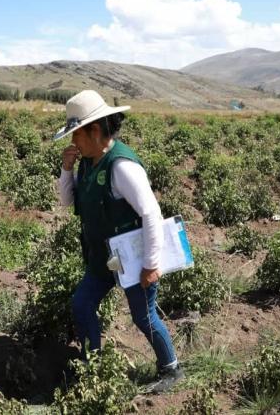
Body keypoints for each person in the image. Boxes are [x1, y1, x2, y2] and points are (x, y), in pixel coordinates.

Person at [54, 90, 184, 393]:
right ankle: (93, 368)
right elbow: (65, 201)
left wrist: (151, 265)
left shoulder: (121, 166)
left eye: (77, 135)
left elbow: (151, 213)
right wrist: (66, 169)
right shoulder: (87, 160)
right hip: (102, 256)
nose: (74, 142)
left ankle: (171, 368)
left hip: (133, 258)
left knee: (143, 315)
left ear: (95, 130)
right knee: (82, 305)